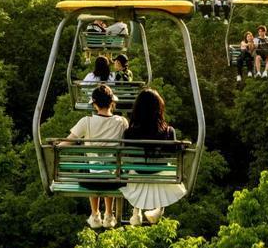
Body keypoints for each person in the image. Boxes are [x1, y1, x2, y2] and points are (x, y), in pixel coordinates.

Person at [63, 84, 128, 228]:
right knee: (111, 170)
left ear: (94, 104)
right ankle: (109, 214)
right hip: (114, 181)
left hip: (91, 180)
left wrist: (55, 145)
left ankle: (95, 213)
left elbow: (66, 142)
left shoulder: (86, 121)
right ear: (112, 102)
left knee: (92, 170)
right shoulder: (122, 122)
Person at [120, 88, 186, 226]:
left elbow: (126, 154)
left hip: (137, 173)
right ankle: (159, 210)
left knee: (133, 170)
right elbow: (174, 153)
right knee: (169, 169)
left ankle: (136, 211)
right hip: (160, 173)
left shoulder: (129, 133)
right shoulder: (168, 131)